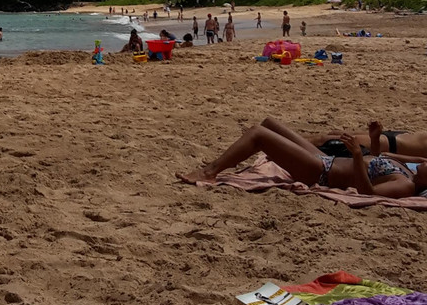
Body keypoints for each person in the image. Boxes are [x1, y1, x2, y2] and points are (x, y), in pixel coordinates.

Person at [178, 117, 427, 197]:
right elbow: (378, 155)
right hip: (326, 159)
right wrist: (375, 137)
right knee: (269, 123)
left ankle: (209, 172)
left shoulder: (405, 185)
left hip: (321, 171)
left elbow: (367, 193)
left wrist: (355, 158)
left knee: (258, 134)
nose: (425, 162)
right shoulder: (410, 168)